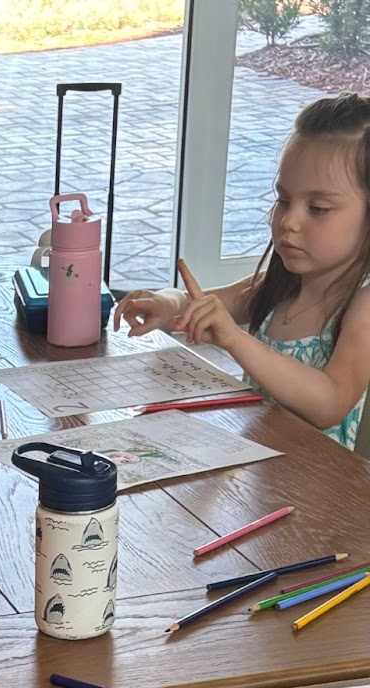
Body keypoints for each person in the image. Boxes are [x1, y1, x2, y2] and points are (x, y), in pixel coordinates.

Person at [113, 93, 370, 449]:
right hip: (258, 467)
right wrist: (168, 302)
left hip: (322, 491)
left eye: (318, 208)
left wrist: (235, 339)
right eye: (283, 200)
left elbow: (329, 404)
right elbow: (199, 301)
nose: (289, 221)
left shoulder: (363, 304)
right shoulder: (280, 286)